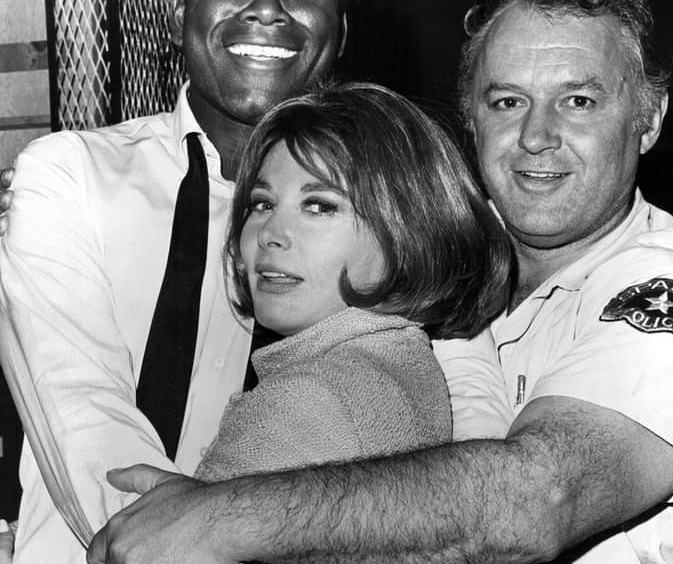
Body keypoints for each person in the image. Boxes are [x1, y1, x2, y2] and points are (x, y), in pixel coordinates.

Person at [88, 0, 673, 564]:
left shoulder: (668, 292)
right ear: (470, 116)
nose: (536, 135)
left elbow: (538, 499)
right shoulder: (443, 250)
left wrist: (217, 518)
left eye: (578, 101)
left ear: (648, 119)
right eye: (507, 102)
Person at [0, 0, 352, 564]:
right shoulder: (68, 179)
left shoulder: (387, 213)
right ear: (174, 12)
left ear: (340, 30)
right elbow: (82, 420)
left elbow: (454, 407)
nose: (267, 7)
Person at [193, 82, 510, 481]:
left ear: (406, 232)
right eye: (263, 203)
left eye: (319, 206)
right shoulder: (402, 365)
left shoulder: (307, 400)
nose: (271, 231)